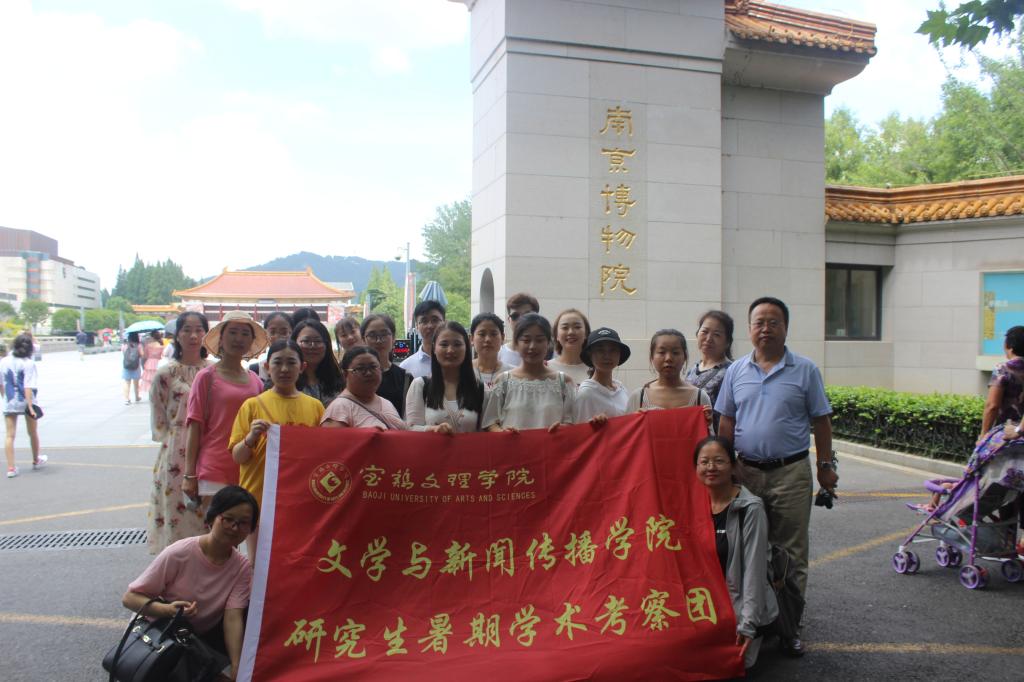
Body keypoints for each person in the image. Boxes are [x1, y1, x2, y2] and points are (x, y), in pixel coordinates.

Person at [716, 296, 835, 657]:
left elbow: (821, 421)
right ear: (749, 329)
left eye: (773, 322)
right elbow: (726, 420)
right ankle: (752, 621)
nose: (765, 328)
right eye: (758, 322)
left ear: (786, 328)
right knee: (746, 550)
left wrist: (825, 467)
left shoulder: (805, 370)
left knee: (790, 553)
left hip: (790, 473)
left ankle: (789, 627)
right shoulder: (736, 370)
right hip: (747, 472)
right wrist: (727, 465)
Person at [122, 486, 257, 681]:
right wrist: (168, 610)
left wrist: (238, 665)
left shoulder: (242, 567)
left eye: (244, 523)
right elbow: (130, 599)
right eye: (228, 519)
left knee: (249, 609)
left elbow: (233, 617)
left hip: (194, 637)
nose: (235, 528)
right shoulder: (179, 553)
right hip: (158, 633)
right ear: (211, 518)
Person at [231, 339, 324, 557]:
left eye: (291, 363)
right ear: (266, 367)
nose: (284, 369)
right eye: (277, 362)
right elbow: (238, 456)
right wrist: (251, 437)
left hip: (300, 499)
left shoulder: (315, 407)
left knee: (294, 560)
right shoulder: (252, 406)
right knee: (258, 563)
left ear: (302, 367)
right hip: (259, 499)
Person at [693, 436, 778, 670]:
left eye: (719, 461)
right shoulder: (694, 505)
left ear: (733, 465)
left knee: (729, 666)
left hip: (740, 608)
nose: (711, 467)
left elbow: (755, 572)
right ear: (696, 468)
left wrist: (748, 625)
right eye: (704, 462)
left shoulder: (750, 509)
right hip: (706, 604)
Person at [184, 312, 268, 506]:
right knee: (218, 533)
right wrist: (189, 474)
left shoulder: (256, 381)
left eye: (245, 334)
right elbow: (194, 426)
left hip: (249, 468)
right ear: (221, 338)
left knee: (248, 532)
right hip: (215, 469)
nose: (239, 338)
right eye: (233, 332)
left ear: (251, 341)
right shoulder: (206, 377)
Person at [148, 312, 212, 553]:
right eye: (187, 329)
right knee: (178, 508)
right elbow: (159, 418)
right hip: (176, 449)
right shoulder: (165, 374)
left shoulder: (215, 371)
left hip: (210, 445)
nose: (194, 335)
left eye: (199, 330)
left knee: (209, 513)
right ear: (177, 334)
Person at [482, 313, 575, 432]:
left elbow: (573, 423)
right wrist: (502, 432)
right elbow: (490, 422)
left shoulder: (564, 382)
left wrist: (562, 429)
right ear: (516, 343)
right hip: (514, 449)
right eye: (526, 340)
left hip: (551, 450)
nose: (532, 346)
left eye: (539, 340)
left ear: (548, 343)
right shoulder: (503, 381)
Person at [406, 321, 486, 433]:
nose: (450, 350)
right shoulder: (420, 385)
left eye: (457, 344)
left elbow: (485, 432)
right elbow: (411, 428)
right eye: (444, 344)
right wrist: (433, 429)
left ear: (466, 347)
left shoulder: (479, 388)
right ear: (434, 348)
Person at [626, 330, 713, 432]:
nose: (668, 358)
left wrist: (706, 426)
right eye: (662, 352)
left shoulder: (699, 397)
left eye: (675, 353)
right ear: (652, 357)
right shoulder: (638, 397)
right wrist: (635, 423)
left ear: (684, 357)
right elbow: (627, 438)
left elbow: (708, 443)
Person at [322, 347, 407, 430]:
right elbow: (333, 443)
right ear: (345, 374)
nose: (368, 373)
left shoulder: (386, 403)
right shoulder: (339, 409)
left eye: (373, 367)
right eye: (360, 369)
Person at [1, 334, 43, 478]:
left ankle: (11, 468)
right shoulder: (28, 363)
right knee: (32, 432)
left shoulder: (3, 361)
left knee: (9, 435)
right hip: (26, 402)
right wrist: (30, 406)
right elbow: (28, 386)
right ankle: (36, 460)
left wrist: (4, 398)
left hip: (10, 400)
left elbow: (1, 384)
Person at [687, 311, 734, 432]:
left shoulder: (731, 371)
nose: (708, 339)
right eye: (704, 332)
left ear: (727, 342)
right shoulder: (692, 370)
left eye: (717, 335)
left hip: (716, 444)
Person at [574, 327, 631, 422]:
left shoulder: (622, 389)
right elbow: (580, 431)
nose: (607, 356)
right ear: (590, 354)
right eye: (600, 350)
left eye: (612, 350)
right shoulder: (585, 393)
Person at [360, 314, 408, 418]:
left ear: (394, 338)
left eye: (384, 334)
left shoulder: (405, 378)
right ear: (363, 340)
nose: (379, 340)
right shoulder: (354, 375)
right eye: (372, 335)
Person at [291, 320, 344, 407]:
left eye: (318, 341)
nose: (312, 346)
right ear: (294, 343)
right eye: (306, 341)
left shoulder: (339, 379)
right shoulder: (286, 379)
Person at [400, 300, 446, 379]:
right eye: (424, 321)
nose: (430, 326)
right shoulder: (406, 367)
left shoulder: (454, 360)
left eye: (435, 320)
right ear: (417, 326)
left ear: (444, 322)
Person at [470, 313, 515, 390]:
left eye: (493, 334)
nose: (488, 339)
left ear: (502, 338)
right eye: (482, 334)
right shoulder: (463, 370)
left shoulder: (513, 373)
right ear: (472, 339)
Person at [548, 308, 591, 385]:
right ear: (556, 335)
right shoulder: (546, 368)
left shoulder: (596, 369)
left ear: (586, 333)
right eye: (565, 328)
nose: (571, 332)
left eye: (577, 327)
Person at [248, 312, 292, 383]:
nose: (277, 336)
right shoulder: (254, 369)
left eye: (284, 332)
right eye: (272, 332)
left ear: (291, 333)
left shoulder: (298, 367)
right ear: (265, 334)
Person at [499, 292, 540, 367]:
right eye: (515, 316)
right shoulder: (498, 354)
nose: (521, 320)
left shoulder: (548, 353)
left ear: (537, 318)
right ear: (509, 320)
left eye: (527, 315)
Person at [140, 330, 165, 395]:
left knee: (149, 380)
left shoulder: (148, 345)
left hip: (149, 363)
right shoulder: (161, 346)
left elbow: (145, 356)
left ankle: (151, 393)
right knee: (157, 380)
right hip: (158, 363)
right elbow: (163, 356)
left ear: (152, 337)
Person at [122, 331, 143, 405]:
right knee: (136, 382)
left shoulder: (125, 345)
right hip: (136, 365)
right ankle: (137, 397)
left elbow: (123, 353)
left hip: (127, 365)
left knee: (127, 382)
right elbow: (142, 354)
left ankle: (126, 399)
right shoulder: (139, 345)